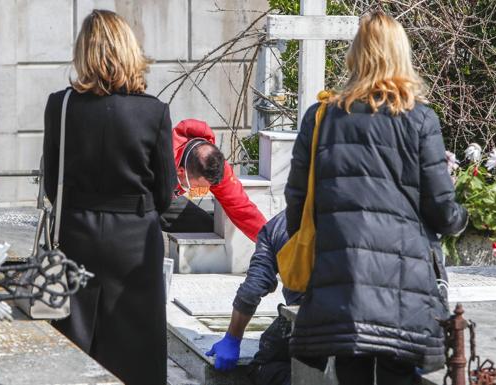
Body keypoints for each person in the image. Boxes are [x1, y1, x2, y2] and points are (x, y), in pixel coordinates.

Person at [284, 11, 467, 385]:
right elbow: (440, 207)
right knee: (400, 373)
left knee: (351, 369)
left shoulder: (321, 117)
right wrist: (461, 218)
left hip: (342, 276)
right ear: (402, 55)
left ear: (355, 55)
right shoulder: (420, 120)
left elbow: (298, 198)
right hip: (404, 281)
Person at [43, 10, 175, 385]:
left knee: (76, 341)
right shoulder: (154, 112)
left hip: (77, 235)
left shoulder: (61, 106)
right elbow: (165, 193)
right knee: (137, 350)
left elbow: (55, 185)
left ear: (83, 52)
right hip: (135, 240)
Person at [206, 211, 302, 385]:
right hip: (363, 319)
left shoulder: (280, 226)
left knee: (264, 367)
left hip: (310, 319)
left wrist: (232, 338)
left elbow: (253, 288)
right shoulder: (365, 216)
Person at [160, 119, 267, 242]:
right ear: (180, 171)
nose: (202, 191)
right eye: (198, 186)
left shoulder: (214, 166)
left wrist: (272, 244)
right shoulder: (159, 159)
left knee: (206, 228)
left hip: (168, 198)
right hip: (142, 195)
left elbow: (242, 210)